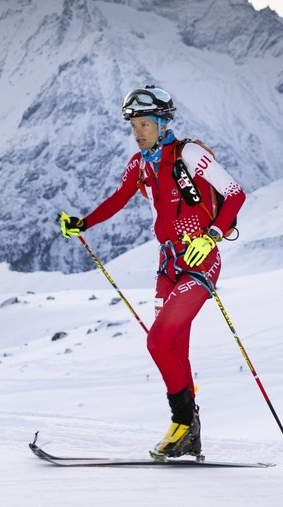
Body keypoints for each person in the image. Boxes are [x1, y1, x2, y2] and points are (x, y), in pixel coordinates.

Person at [59, 85, 245, 459]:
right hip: (168, 264)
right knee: (174, 346)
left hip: (200, 261)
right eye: (134, 125)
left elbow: (236, 193)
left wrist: (210, 237)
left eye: (145, 123)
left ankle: (182, 422)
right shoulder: (139, 163)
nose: (139, 131)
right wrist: (83, 223)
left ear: (162, 122)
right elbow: (117, 199)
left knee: (157, 340)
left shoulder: (189, 154)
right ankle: (190, 433)